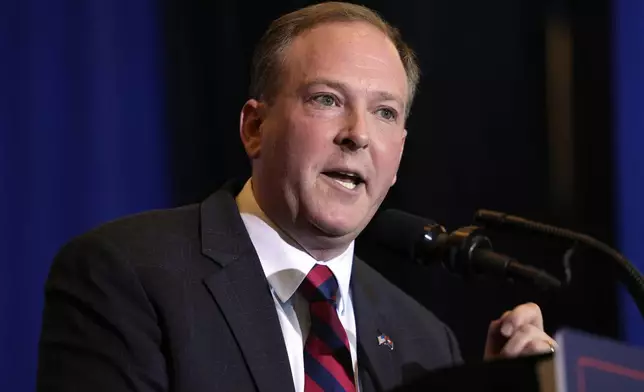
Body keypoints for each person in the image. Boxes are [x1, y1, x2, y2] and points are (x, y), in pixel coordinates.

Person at [36, 2, 557, 391]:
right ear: (255, 127)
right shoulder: (127, 275)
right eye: (327, 100)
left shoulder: (425, 341)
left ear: (398, 154)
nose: (358, 134)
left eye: (385, 113)